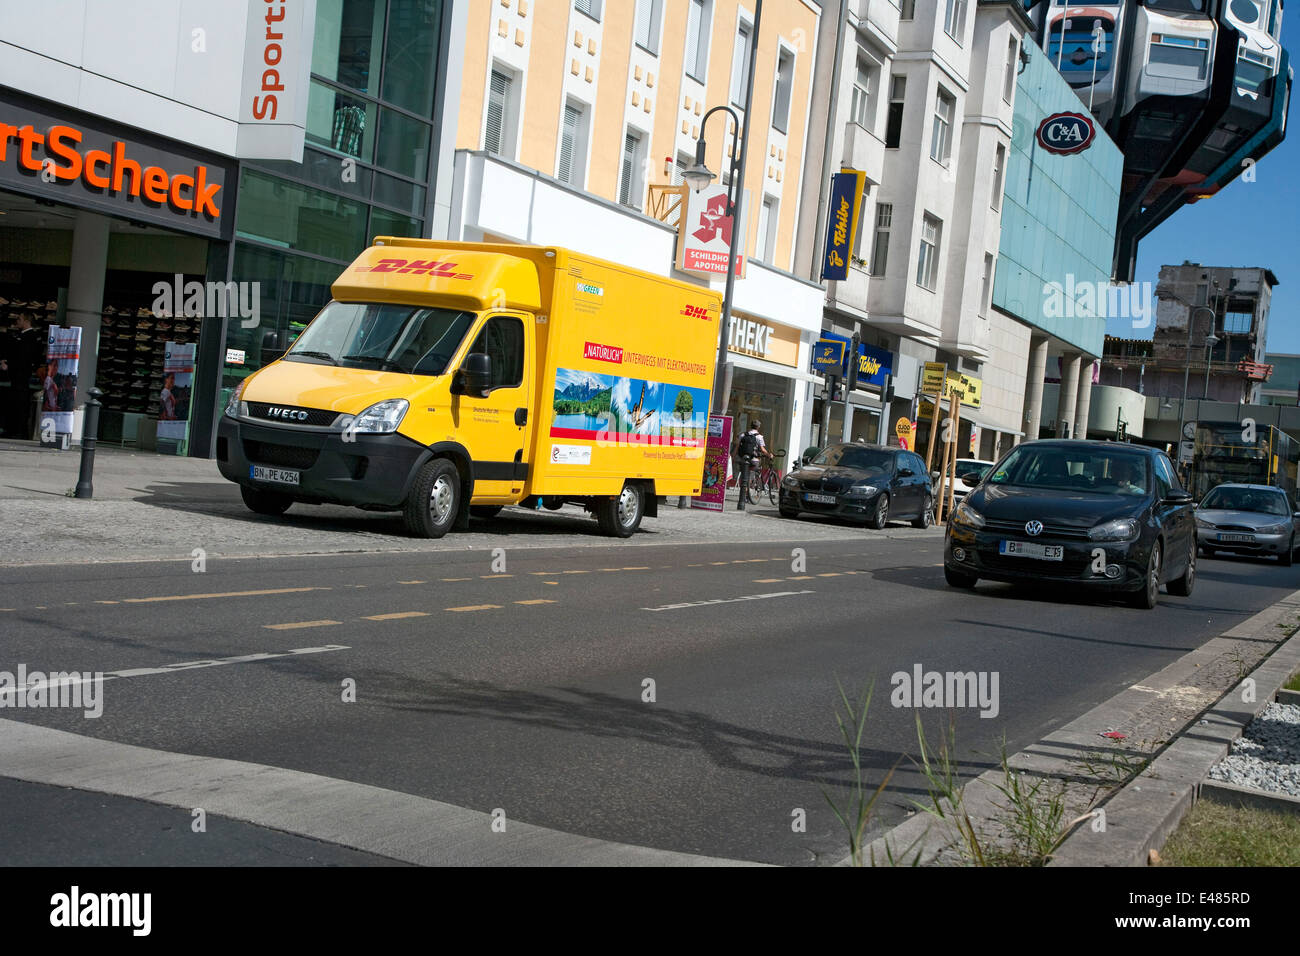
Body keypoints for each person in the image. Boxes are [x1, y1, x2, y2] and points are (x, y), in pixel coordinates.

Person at [3, 312, 43, 438]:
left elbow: (24, 358)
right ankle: (14, 429)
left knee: (19, 403)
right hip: (18, 375)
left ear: (27, 321)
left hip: (21, 375)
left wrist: (9, 365)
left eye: (19, 319)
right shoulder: (25, 336)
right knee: (16, 402)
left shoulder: (30, 337)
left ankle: (18, 431)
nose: (17, 321)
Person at [736, 419, 774, 506]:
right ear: (758, 427)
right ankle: (755, 485)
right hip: (754, 460)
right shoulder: (759, 437)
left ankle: (745, 495)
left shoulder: (743, 434)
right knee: (752, 475)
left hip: (743, 458)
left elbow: (737, 447)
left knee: (744, 477)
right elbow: (762, 449)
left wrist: (733, 456)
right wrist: (769, 455)